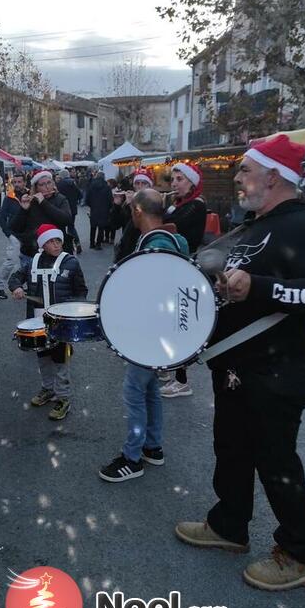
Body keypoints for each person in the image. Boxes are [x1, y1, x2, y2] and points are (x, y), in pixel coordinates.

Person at [175, 134, 305, 591]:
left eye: (245, 170)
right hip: (236, 368)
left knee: (275, 461)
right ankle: (229, 526)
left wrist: (260, 288)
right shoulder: (255, 224)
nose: (238, 177)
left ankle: (300, 555)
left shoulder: (302, 226)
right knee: (231, 448)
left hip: (277, 370)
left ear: (273, 176)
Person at [99, 189, 189, 482]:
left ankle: (132, 458)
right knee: (150, 390)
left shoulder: (156, 242)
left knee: (134, 391)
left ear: (138, 210)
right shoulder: (175, 238)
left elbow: (157, 291)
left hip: (152, 333)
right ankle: (153, 447)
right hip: (165, 333)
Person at [9, 224, 87, 421]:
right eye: (51, 241)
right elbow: (15, 277)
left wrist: (72, 309)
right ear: (42, 244)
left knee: (61, 360)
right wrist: (17, 287)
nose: (56, 244)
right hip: (38, 320)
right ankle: (48, 389)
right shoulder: (32, 262)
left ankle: (63, 398)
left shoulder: (70, 262)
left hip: (61, 321)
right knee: (43, 357)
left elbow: (81, 290)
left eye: (58, 240)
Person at [161, 162, 207, 398]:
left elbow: (170, 227)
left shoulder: (196, 206)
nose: (175, 183)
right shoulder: (178, 205)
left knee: (180, 323)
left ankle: (182, 380)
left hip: (184, 269)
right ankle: (170, 370)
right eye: (174, 179)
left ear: (192, 183)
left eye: (180, 179)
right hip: (174, 268)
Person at [10, 170, 72, 262]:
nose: (47, 187)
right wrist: (23, 209)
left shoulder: (61, 199)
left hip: (55, 253)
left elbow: (66, 220)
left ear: (53, 183)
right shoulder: (30, 201)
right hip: (32, 253)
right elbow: (15, 228)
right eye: (42, 185)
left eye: (49, 183)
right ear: (36, 188)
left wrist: (43, 203)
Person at [0, 170, 25, 300]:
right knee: (11, 261)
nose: (17, 184)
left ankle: (21, 285)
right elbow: (1, 218)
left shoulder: (29, 195)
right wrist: (8, 233)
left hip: (27, 235)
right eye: (15, 182)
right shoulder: (9, 198)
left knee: (26, 261)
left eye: (20, 182)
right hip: (14, 235)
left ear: (24, 182)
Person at [111, 168, 155, 262]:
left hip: (143, 251)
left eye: (144, 183)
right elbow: (115, 225)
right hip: (127, 252)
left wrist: (132, 206)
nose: (140, 186)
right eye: (137, 183)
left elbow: (139, 225)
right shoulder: (129, 203)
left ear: (150, 186)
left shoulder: (154, 204)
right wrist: (116, 205)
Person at [56, 169, 83, 254]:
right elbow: (80, 195)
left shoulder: (59, 184)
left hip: (61, 209)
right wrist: (74, 200)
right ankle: (77, 243)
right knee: (71, 227)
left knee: (61, 227)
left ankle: (64, 245)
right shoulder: (73, 183)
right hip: (73, 208)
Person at [85, 171, 113, 250]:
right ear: (104, 177)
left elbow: (87, 198)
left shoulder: (91, 186)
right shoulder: (107, 187)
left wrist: (91, 205)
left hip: (94, 209)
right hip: (104, 210)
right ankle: (98, 244)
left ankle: (91, 243)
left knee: (93, 227)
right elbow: (110, 199)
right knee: (101, 227)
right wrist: (109, 207)